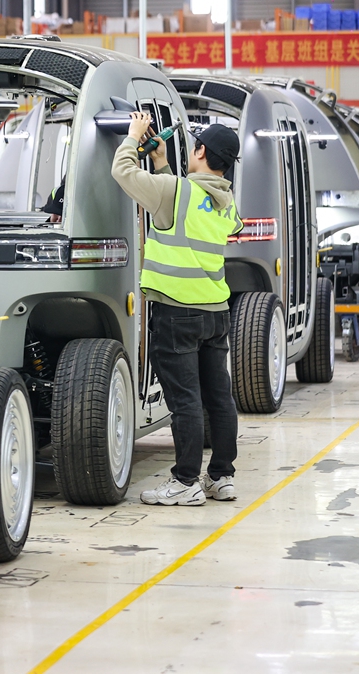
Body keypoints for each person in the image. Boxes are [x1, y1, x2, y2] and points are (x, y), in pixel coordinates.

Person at [111, 113, 243, 506]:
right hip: (215, 313)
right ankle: (221, 476)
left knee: (184, 400)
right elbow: (186, 207)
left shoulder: (175, 191)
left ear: (200, 151)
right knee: (218, 397)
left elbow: (122, 172)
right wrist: (162, 163)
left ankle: (185, 481)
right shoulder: (225, 201)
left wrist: (134, 137)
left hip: (176, 314)